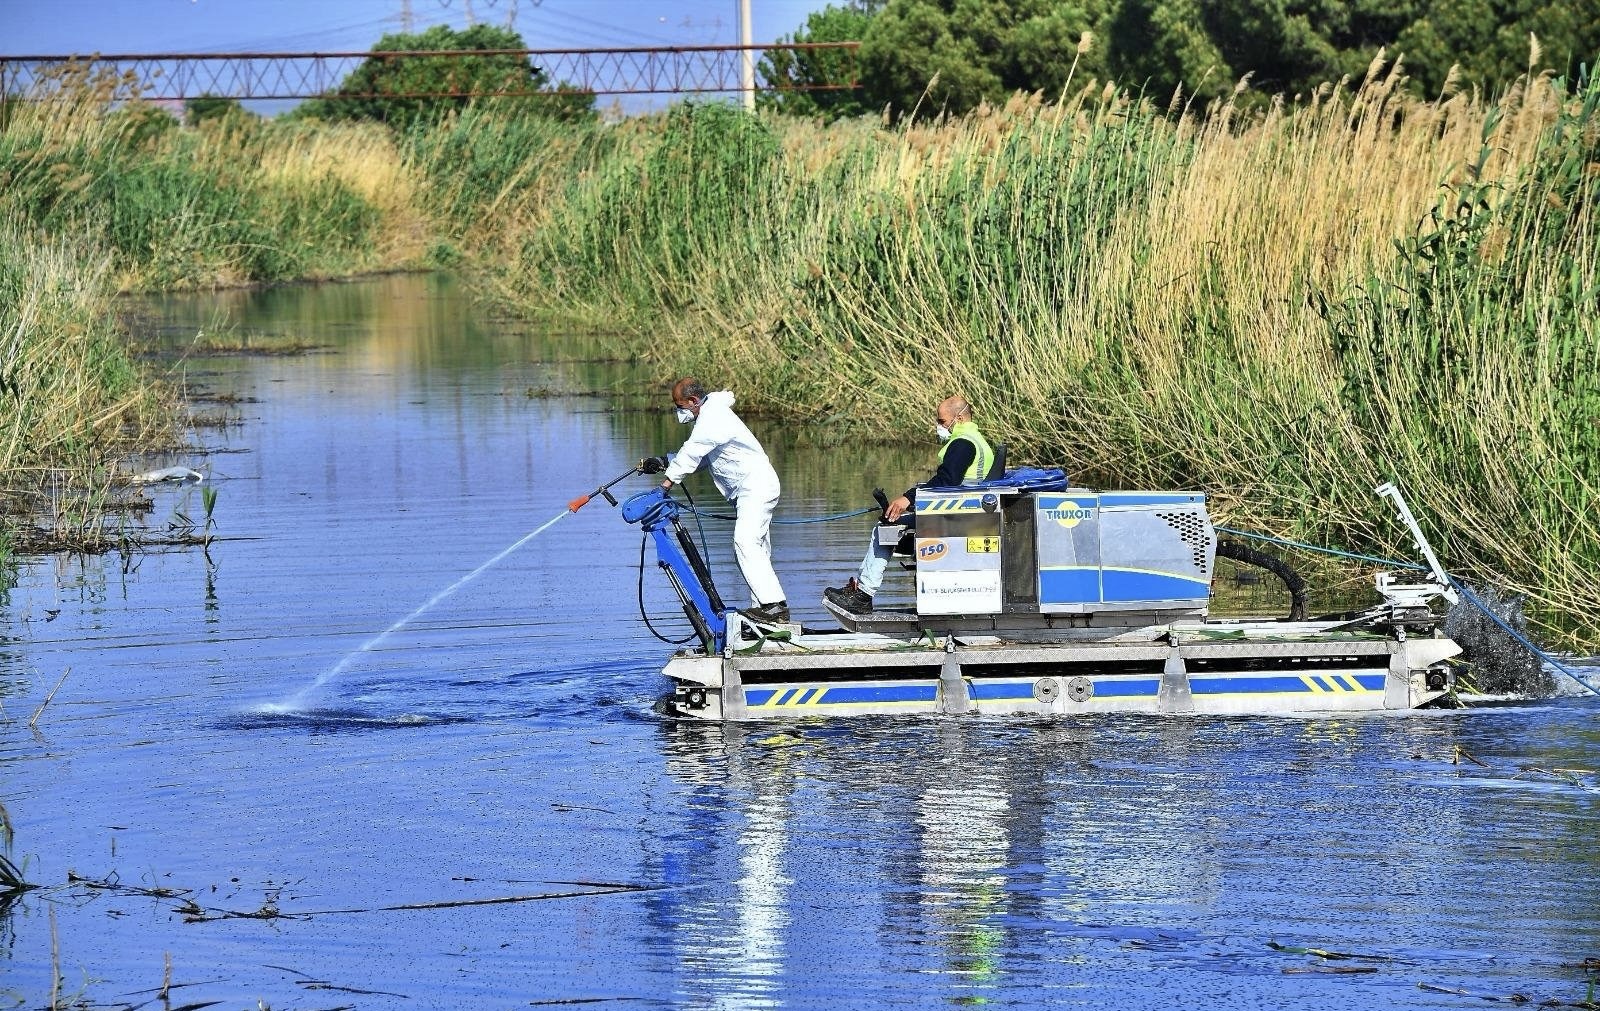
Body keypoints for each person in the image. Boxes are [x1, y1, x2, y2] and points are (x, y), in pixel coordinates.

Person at [824, 396, 995, 615]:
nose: (939, 426)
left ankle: (863, 595)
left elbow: (947, 481)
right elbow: (952, 482)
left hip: (954, 518)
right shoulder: (977, 439)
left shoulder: (962, 443)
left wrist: (908, 499)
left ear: (959, 418)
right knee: (891, 526)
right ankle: (866, 590)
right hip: (966, 514)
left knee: (884, 529)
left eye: (942, 421)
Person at [641, 378, 790, 624]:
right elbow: (703, 457)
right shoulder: (711, 415)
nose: (679, 412)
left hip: (756, 486)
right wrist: (664, 461)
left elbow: (692, 453)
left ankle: (774, 607)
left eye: (680, 406)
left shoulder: (712, 419)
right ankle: (765, 610)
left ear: (693, 401)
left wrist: (664, 486)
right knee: (756, 548)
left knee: (746, 542)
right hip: (751, 489)